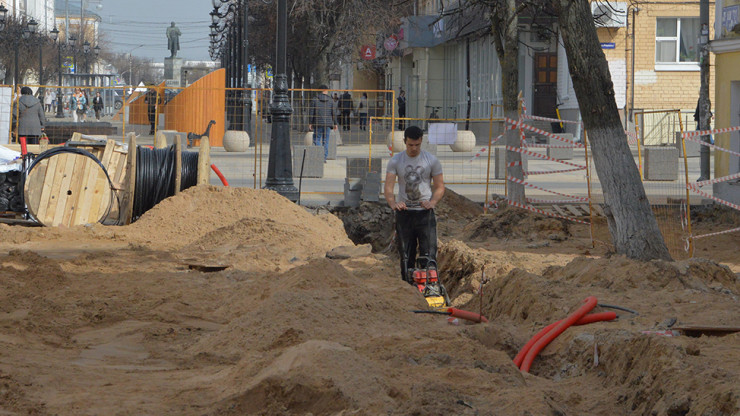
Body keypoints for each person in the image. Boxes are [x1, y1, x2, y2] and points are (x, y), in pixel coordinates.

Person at [384, 125, 445, 283]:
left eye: (417, 145)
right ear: (405, 142)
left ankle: (430, 286)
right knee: (406, 254)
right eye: (410, 145)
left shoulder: (431, 160)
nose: (414, 148)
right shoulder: (396, 161)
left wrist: (432, 202)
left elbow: (440, 187)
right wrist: (394, 204)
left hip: (425, 214)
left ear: (421, 142)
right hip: (405, 214)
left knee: (429, 253)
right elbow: (388, 188)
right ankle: (408, 286)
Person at [308, 85, 338, 162]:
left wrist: (310, 122)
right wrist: (335, 123)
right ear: (325, 90)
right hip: (328, 124)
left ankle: (319, 155)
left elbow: (311, 112)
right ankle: (324, 158)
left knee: (316, 139)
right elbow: (333, 113)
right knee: (326, 141)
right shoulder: (331, 100)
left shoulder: (314, 100)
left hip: (317, 123)